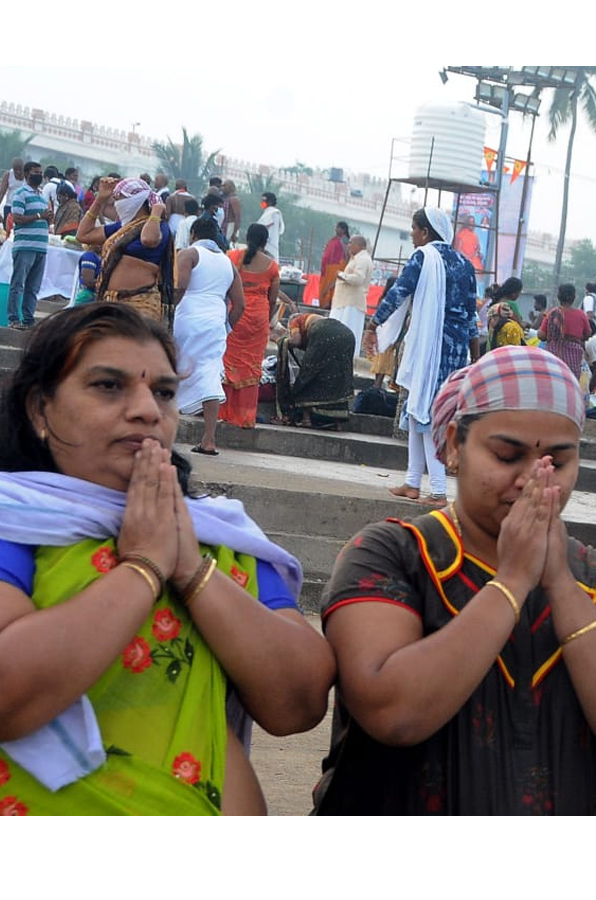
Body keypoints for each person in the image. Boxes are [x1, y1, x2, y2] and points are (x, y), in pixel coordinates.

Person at [311, 345, 596, 814]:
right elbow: (393, 713)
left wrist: (561, 584)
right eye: (507, 455)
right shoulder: (393, 555)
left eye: (559, 463)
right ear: (452, 446)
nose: (533, 479)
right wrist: (511, 583)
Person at [0, 303, 334, 814]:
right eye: (109, 386)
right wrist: (142, 568)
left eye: (163, 392)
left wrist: (189, 568)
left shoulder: (219, 537)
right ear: (38, 409)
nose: (147, 411)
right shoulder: (14, 523)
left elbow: (300, 703)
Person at [366, 207, 479, 508]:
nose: (412, 234)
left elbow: (398, 292)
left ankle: (439, 491)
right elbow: (472, 316)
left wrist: (374, 323)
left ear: (426, 232)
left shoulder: (423, 257)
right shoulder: (466, 265)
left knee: (427, 414)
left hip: (431, 346)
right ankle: (413, 482)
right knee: (418, 411)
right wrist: (475, 357)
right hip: (455, 350)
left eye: (414, 229)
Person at [173, 218, 244, 456]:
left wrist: (168, 312)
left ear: (193, 234)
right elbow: (240, 305)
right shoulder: (228, 262)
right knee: (210, 375)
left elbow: (180, 286)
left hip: (188, 318)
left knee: (175, 370)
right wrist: (226, 328)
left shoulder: (189, 253)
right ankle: (209, 439)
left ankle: (165, 433)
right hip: (215, 323)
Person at [74, 176, 173, 321]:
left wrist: (156, 212)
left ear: (135, 200)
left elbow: (148, 239)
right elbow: (83, 235)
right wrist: (99, 200)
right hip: (112, 302)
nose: (116, 204)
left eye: (120, 199)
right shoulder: (123, 228)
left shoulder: (158, 227)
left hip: (140, 304)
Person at [220, 223, 279, 430]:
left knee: (227, 361)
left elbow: (223, 286)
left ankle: (222, 412)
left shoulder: (231, 256)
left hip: (234, 313)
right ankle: (244, 418)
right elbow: (272, 300)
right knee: (252, 367)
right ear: (265, 241)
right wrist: (267, 320)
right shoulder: (272, 266)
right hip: (258, 319)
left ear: (247, 236)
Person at [274, 313, 355, 428]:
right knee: (337, 377)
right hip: (347, 335)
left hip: (324, 334)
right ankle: (337, 423)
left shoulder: (295, 321)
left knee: (308, 376)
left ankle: (306, 419)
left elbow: (296, 341)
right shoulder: (317, 318)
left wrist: (280, 340)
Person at [6, 161, 52, 330]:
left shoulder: (41, 195)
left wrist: (47, 217)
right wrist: (40, 215)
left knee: (33, 287)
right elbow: (17, 218)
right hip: (25, 246)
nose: (39, 175)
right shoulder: (20, 194)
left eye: (40, 172)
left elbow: (44, 218)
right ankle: (13, 318)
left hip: (40, 247)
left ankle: (28, 319)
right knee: (18, 284)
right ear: (27, 174)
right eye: (35, 172)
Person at [329, 235, 372, 357]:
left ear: (359, 245)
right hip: (344, 302)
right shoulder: (356, 258)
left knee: (346, 334)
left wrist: (342, 275)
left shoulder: (363, 259)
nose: (348, 246)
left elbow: (358, 279)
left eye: (350, 243)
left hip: (351, 304)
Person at [538, 283, 591, 378]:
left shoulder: (552, 313)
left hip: (553, 354)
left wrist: (554, 337)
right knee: (571, 381)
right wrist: (575, 338)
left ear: (558, 297)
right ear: (574, 297)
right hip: (574, 356)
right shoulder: (581, 314)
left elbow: (541, 335)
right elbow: (588, 333)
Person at [318, 221, 350, 310]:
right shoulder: (334, 239)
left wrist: (346, 267)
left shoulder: (345, 239)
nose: (336, 229)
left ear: (343, 230)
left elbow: (347, 253)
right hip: (328, 267)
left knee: (332, 286)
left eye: (338, 227)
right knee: (325, 284)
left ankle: (329, 304)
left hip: (337, 266)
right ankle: (324, 303)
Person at [256, 192, 284, 260]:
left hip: (269, 245)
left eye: (264, 200)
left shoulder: (274, 214)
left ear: (270, 202)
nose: (262, 202)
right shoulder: (266, 213)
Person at [0, 156, 25, 228]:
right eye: (16, 170)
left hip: (22, 207)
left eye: (20, 170)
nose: (18, 172)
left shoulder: (27, 176)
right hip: (9, 206)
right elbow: (2, 193)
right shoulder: (8, 175)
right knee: (7, 228)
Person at [220, 180, 242, 244]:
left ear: (230, 187)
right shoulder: (223, 198)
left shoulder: (234, 199)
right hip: (223, 225)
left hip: (230, 226)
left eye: (224, 185)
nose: (222, 187)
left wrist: (234, 232)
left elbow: (237, 216)